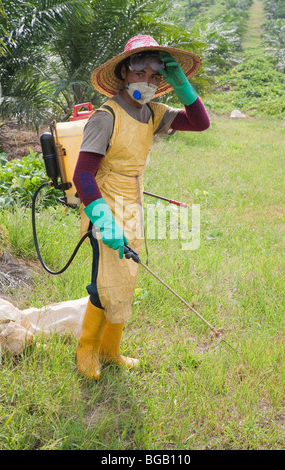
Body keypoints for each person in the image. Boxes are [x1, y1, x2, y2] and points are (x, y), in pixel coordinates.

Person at [73, 35, 210, 380]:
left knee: (126, 278)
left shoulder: (153, 113)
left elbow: (200, 123)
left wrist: (184, 86)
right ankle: (87, 350)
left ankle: (110, 350)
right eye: (141, 72)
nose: (147, 81)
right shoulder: (106, 116)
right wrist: (103, 222)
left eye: (156, 76)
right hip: (102, 204)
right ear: (123, 72)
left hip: (132, 202)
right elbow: (83, 176)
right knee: (104, 281)